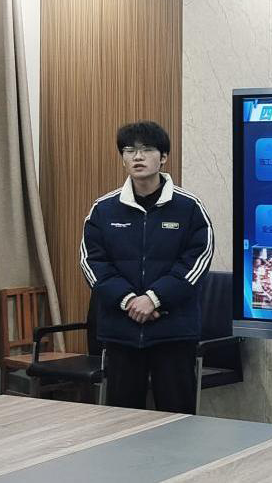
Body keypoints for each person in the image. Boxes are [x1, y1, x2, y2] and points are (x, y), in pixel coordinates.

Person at [80, 121, 213, 414]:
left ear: (163, 157)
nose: (137, 157)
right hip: (122, 332)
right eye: (129, 151)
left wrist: (153, 299)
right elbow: (92, 263)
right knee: (122, 418)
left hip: (173, 331)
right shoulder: (103, 209)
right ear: (122, 158)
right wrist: (129, 301)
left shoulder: (189, 207)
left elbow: (197, 261)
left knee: (177, 419)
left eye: (146, 150)